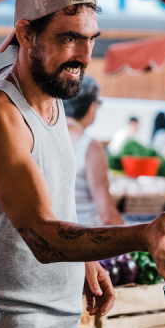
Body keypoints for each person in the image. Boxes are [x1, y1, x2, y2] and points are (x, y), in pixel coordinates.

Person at [0, 0, 165, 328]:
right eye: (70, 38)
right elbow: (44, 239)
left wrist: (86, 261)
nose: (85, 56)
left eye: (91, 39)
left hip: (57, 317)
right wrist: (142, 235)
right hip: (6, 322)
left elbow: (52, 207)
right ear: (27, 33)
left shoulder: (53, 97)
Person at [63, 76, 123, 226]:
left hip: (57, 236)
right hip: (86, 237)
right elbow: (107, 215)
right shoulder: (89, 146)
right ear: (91, 108)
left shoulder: (46, 138)